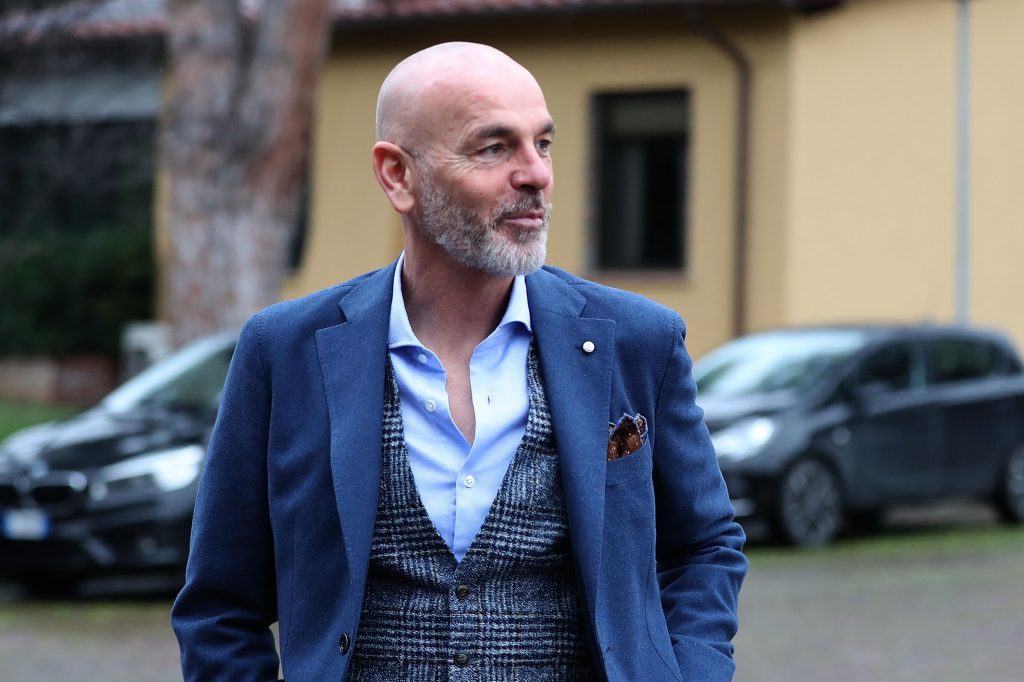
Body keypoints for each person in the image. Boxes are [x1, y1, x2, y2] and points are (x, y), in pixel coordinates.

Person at [171, 42, 747, 681]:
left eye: (543, 144)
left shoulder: (638, 341)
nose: (535, 174)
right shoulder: (285, 350)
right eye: (494, 148)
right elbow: (220, 604)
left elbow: (705, 548)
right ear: (398, 175)